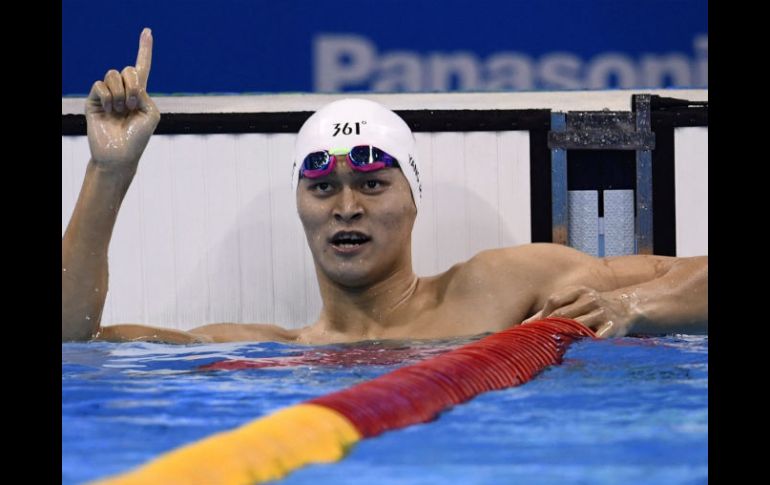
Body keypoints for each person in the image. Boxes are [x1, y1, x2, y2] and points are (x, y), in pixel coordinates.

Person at [62, 29, 708, 345]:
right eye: (323, 188)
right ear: (301, 205)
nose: (347, 206)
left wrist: (632, 307)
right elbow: (73, 347)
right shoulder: (259, 352)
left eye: (372, 182)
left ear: (412, 195)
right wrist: (109, 172)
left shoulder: (503, 285)